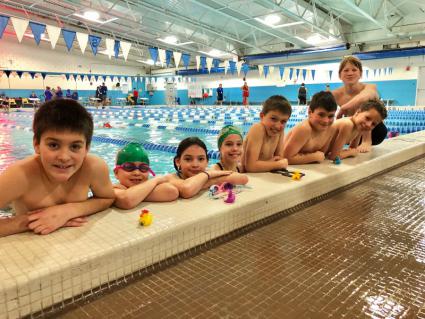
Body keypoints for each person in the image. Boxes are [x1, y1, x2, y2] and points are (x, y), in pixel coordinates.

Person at [0, 99, 115, 237]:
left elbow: (108, 198)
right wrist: (31, 221)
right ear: (36, 144)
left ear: (87, 148)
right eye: (54, 145)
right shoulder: (19, 175)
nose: (64, 157)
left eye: (75, 146)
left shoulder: (94, 167)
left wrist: (69, 210)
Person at [332, 55, 387, 150]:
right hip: (354, 132)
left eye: (354, 70)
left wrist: (344, 107)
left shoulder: (370, 87)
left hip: (375, 131)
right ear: (339, 75)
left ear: (360, 74)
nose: (350, 73)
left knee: (365, 103)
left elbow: (367, 95)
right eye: (346, 70)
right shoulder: (336, 94)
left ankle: (367, 140)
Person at [166, 137, 248, 199]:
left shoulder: (208, 174)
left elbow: (243, 178)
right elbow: (187, 189)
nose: (195, 165)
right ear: (178, 161)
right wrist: (207, 175)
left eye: (201, 159)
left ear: (207, 161)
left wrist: (208, 180)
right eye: (188, 159)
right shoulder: (171, 178)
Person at [113, 143, 178, 209]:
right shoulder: (113, 189)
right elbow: (126, 201)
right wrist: (156, 180)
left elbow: (171, 191)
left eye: (143, 168)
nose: (137, 173)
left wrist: (134, 195)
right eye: (129, 167)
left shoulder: (149, 185)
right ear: (116, 173)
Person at [283, 91, 337, 164]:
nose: (326, 121)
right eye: (321, 115)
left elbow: (322, 154)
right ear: (310, 112)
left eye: (330, 116)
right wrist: (313, 157)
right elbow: (286, 158)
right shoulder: (304, 129)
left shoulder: (330, 128)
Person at [242, 95, 291, 172]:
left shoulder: (280, 132)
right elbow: (251, 166)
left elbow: (279, 158)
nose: (278, 126)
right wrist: (277, 164)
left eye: (283, 121)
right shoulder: (258, 129)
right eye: (273, 119)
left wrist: (274, 163)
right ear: (262, 116)